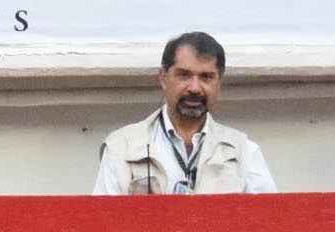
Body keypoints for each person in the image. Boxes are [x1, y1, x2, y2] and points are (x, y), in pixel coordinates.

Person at [93, 31, 276, 195]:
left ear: (219, 83)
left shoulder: (244, 152)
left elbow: (268, 219)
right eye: (184, 75)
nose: (195, 88)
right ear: (163, 78)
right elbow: (104, 220)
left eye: (206, 77)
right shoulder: (121, 148)